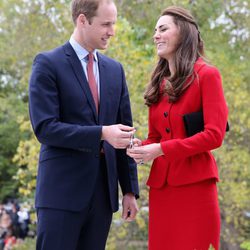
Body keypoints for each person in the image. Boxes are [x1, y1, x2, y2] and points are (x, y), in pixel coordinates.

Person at [29, 0, 139, 249]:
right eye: (106, 24)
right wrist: (101, 133)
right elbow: (45, 128)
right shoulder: (47, 63)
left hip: (103, 197)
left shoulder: (115, 70)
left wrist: (130, 191)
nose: (112, 31)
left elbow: (124, 132)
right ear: (82, 20)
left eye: (114, 23)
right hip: (60, 194)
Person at [127, 6, 228, 250]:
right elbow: (155, 138)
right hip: (163, 191)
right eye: (155, 31)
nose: (156, 36)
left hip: (196, 189)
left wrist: (161, 149)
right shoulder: (159, 85)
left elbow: (214, 136)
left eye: (163, 29)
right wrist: (140, 147)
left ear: (183, 33)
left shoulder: (208, 75)